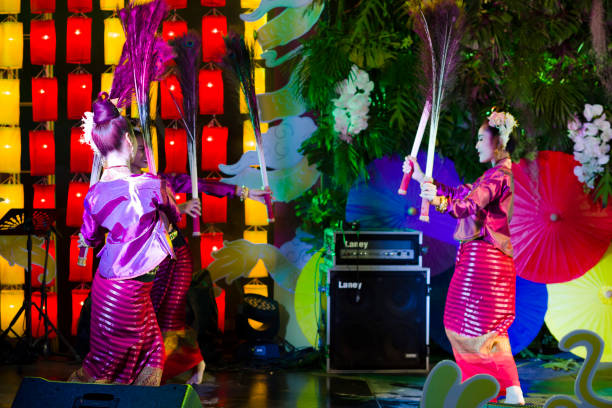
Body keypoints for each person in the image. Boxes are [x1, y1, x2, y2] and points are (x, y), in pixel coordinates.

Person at [404, 110, 525, 405]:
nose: (477, 145)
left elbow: (465, 205)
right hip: (486, 260)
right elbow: (462, 193)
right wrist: (422, 179)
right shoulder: (496, 175)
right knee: (489, 329)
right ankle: (511, 391)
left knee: (466, 325)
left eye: (481, 139)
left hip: (484, 262)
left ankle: (479, 388)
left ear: (499, 142)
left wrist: (436, 200)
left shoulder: (498, 177)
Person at [130, 131, 270, 384]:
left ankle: (181, 366)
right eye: (140, 148)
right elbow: (137, 218)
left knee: (172, 314)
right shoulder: (124, 185)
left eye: (147, 148)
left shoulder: (161, 180)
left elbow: (204, 185)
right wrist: (177, 208)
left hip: (175, 256)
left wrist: (245, 192)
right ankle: (170, 366)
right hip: (146, 260)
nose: (145, 154)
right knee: (149, 315)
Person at [68, 93, 181, 386]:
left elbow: (89, 239)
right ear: (130, 142)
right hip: (128, 291)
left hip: (113, 288)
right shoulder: (152, 186)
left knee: (147, 354)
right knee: (114, 366)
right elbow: (176, 217)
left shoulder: (93, 195)